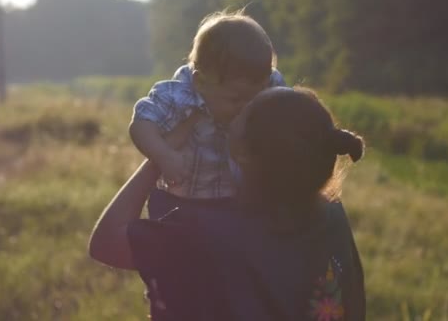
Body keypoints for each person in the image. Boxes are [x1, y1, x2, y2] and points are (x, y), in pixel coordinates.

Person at [89, 86, 366, 320]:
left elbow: (105, 242)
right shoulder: (332, 218)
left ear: (243, 152)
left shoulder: (203, 234)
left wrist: (161, 156)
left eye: (242, 111)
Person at [129, 9, 285, 219]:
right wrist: (164, 156)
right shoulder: (181, 93)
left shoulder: (267, 83)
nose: (245, 108)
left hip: (237, 202)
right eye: (235, 99)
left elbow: (296, 110)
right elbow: (141, 123)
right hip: (180, 202)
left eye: (254, 99)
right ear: (200, 82)